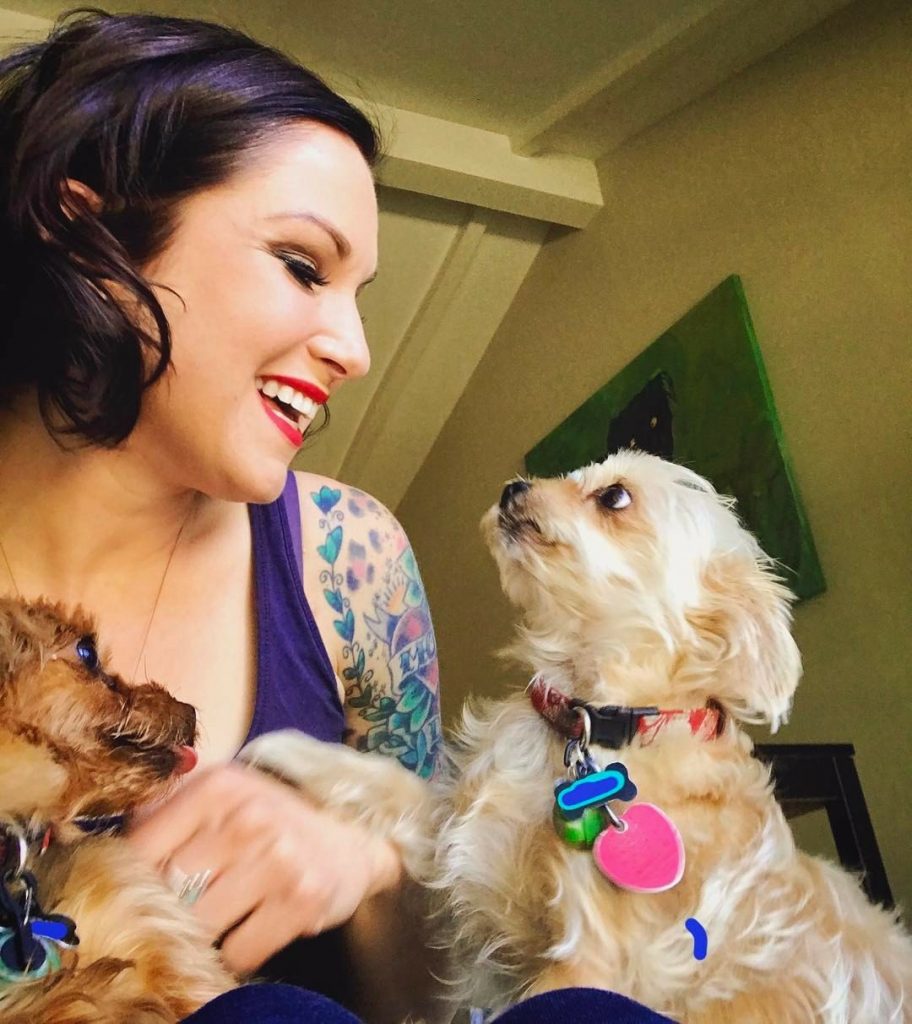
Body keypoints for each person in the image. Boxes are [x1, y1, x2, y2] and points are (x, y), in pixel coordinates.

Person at [0, 10, 672, 1024]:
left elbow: (434, 1006)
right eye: (304, 266)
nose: (355, 349)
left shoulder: (351, 561)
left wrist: (366, 871)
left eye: (359, 294)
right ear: (83, 234)